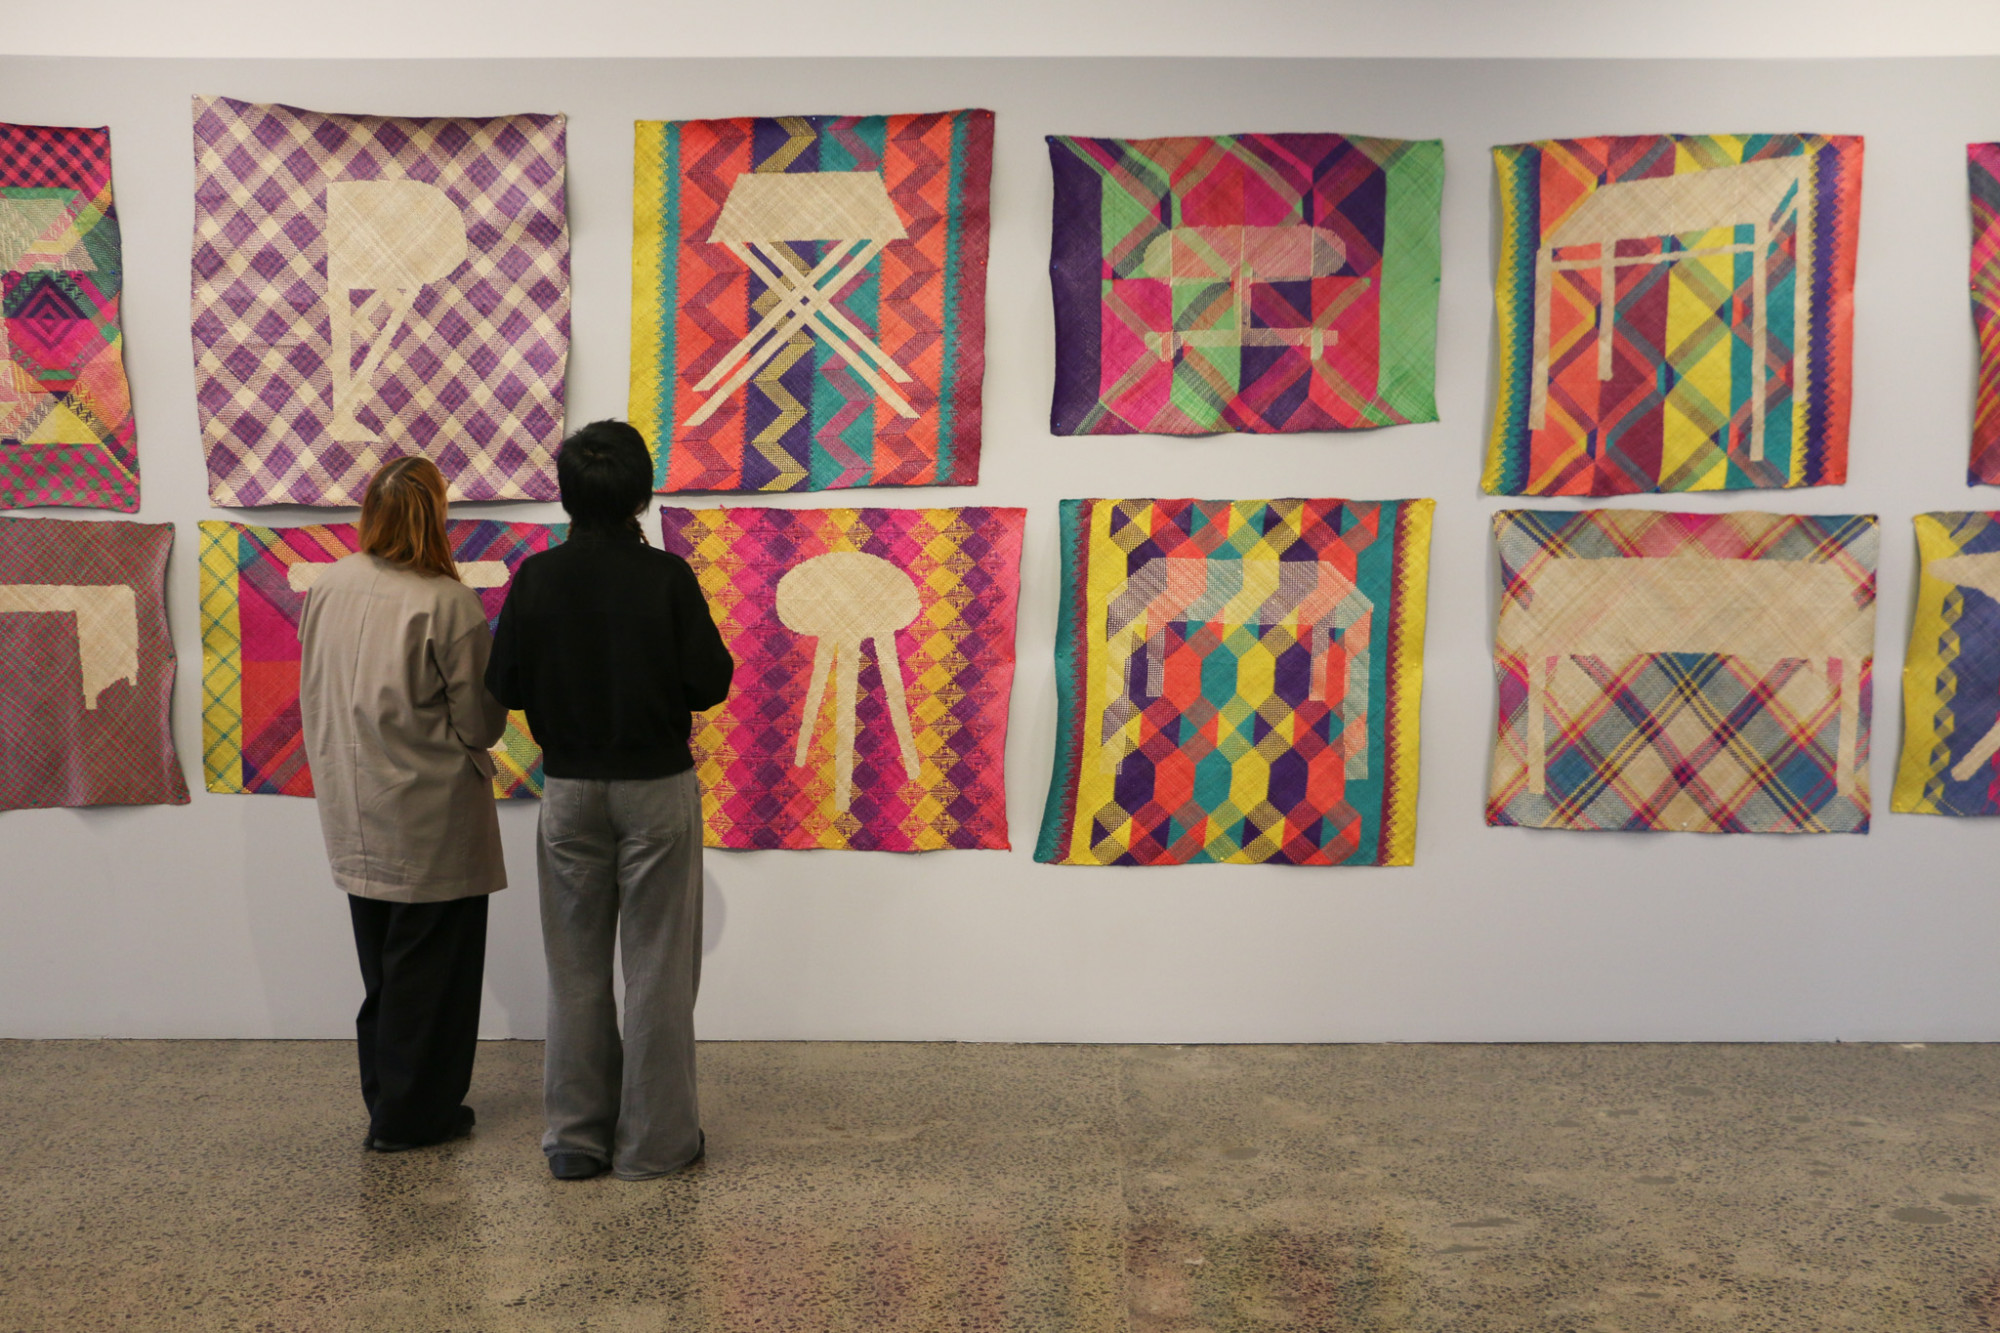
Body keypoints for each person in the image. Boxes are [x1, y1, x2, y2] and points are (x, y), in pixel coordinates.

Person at [486, 420, 734, 1182]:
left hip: (567, 790)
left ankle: (575, 1137)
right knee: (657, 968)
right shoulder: (667, 578)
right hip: (655, 788)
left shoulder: (535, 579)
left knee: (575, 969)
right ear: (641, 492)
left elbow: (507, 687)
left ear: (566, 493)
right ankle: (655, 1143)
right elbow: (711, 682)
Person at [297, 455, 510, 1152]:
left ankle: (389, 1102)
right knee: (434, 979)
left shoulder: (330, 584)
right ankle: (413, 1118)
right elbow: (480, 723)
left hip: (353, 807)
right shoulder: (446, 602)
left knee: (383, 973)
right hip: (429, 813)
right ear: (435, 517)